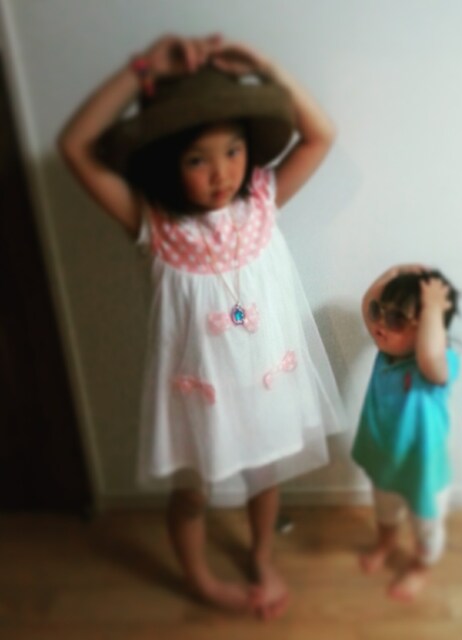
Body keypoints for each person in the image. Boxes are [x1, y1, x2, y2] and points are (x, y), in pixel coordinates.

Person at [58, 33, 345, 620]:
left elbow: (321, 134)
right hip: (198, 395)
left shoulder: (261, 201)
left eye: (233, 151)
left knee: (267, 477)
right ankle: (201, 581)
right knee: (191, 495)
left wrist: (265, 67)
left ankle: (261, 555)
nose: (221, 173)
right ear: (169, 162)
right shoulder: (154, 224)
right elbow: (75, 146)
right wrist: (140, 69)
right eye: (198, 159)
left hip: (265, 378)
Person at [351, 265, 460, 601]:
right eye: (379, 314)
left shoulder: (438, 365)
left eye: (397, 319)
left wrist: (433, 307)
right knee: (385, 512)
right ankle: (386, 543)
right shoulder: (386, 354)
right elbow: (366, 303)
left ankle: (421, 567)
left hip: (424, 472)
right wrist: (393, 273)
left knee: (426, 528)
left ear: (429, 326)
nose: (380, 325)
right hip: (386, 460)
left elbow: (430, 354)